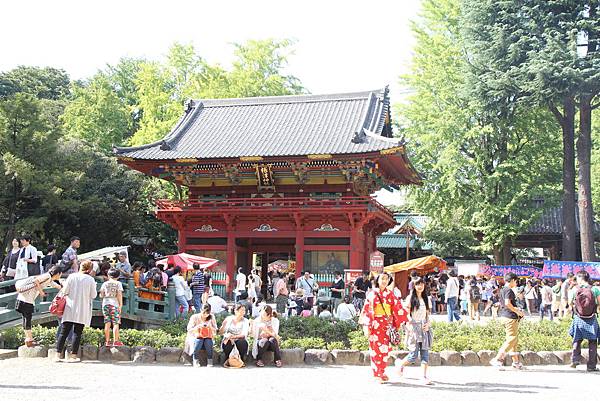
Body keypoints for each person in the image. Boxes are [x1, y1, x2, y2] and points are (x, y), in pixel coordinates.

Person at [360, 272, 408, 383]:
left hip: (386, 325)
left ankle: (381, 371)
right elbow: (367, 311)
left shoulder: (390, 294)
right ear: (377, 280)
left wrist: (406, 318)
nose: (384, 281)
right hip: (375, 325)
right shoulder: (372, 294)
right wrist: (366, 326)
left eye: (386, 279)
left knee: (385, 350)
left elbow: (398, 308)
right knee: (376, 349)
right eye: (382, 279)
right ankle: (377, 374)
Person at [56, 260, 97, 362]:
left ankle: (57, 355)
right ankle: (73, 356)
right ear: (89, 269)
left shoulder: (71, 276)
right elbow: (93, 295)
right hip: (82, 309)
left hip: (70, 307)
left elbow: (65, 291)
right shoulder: (90, 280)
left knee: (63, 332)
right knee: (77, 333)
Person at [396, 277, 433, 385]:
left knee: (425, 353)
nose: (420, 286)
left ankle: (424, 376)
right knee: (413, 355)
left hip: (424, 328)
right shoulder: (410, 298)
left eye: (422, 284)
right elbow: (406, 313)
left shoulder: (427, 299)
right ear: (414, 286)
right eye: (417, 284)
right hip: (413, 328)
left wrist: (428, 324)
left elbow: (427, 315)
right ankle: (400, 364)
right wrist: (409, 326)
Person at [15, 266, 62, 347]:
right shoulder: (47, 276)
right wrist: (41, 292)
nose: (60, 275)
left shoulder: (49, 278)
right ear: (58, 273)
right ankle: (29, 340)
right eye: (60, 274)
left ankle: (28, 339)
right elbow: (36, 280)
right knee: (27, 319)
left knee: (26, 319)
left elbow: (52, 283)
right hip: (26, 300)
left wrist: (60, 287)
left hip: (24, 299)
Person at [489, 272, 525, 369]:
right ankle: (498, 359)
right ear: (513, 280)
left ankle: (516, 362)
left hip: (505, 315)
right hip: (510, 317)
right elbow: (508, 303)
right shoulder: (509, 290)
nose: (516, 283)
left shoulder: (502, 290)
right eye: (516, 281)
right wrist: (518, 311)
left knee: (514, 340)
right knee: (512, 339)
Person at [568, 270, 600, 372]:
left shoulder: (574, 289)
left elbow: (570, 303)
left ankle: (575, 360)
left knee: (577, 338)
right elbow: (599, 302)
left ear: (580, 278)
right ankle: (591, 366)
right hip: (591, 318)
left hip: (579, 318)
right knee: (593, 341)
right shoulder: (595, 289)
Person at [99, 268, 124, 347]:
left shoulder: (105, 283)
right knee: (116, 323)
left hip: (105, 304)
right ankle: (115, 341)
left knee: (107, 322)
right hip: (114, 304)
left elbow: (101, 295)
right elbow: (119, 294)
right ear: (118, 276)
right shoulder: (118, 283)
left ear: (108, 275)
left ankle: (107, 341)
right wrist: (120, 305)